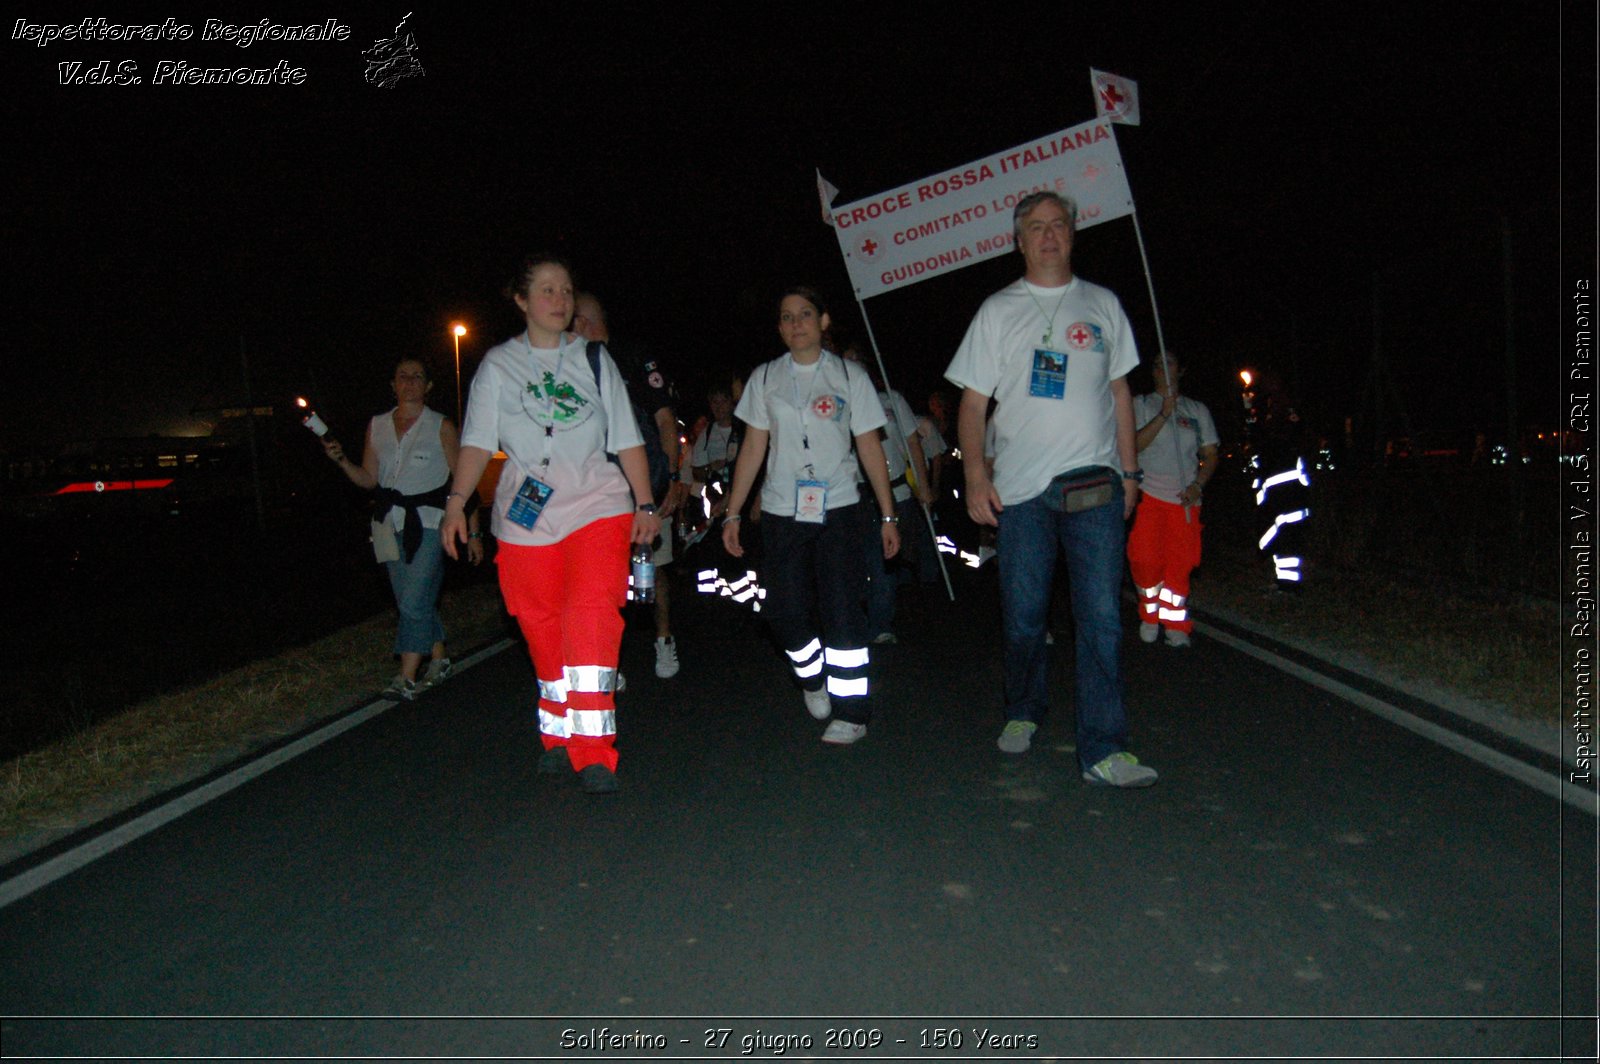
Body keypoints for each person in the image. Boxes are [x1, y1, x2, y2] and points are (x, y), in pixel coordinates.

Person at [944, 191, 1158, 787]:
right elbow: (973, 402)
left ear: (1073, 233)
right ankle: (1023, 708)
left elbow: (1119, 394)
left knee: (1100, 618)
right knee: (1023, 615)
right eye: (1035, 227)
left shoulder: (1104, 304)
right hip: (1020, 492)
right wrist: (975, 476)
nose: (1047, 236)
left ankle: (1105, 749)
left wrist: (1132, 473)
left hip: (1094, 482)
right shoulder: (997, 310)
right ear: (1019, 240)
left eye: (1057, 225)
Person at [441, 254, 659, 794]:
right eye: (547, 290)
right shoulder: (496, 366)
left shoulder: (593, 359)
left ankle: (594, 751)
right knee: (539, 622)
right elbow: (475, 442)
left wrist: (646, 504)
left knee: (590, 615)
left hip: (597, 505)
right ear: (520, 301)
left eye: (566, 290)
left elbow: (627, 437)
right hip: (525, 516)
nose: (560, 300)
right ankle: (558, 735)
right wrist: (456, 502)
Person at [720, 286, 900, 745]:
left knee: (842, 607)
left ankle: (852, 712)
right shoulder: (765, 378)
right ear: (779, 327)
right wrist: (734, 511)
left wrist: (887, 514)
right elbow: (754, 446)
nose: (795, 323)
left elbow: (868, 445)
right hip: (782, 509)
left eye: (805, 314)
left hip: (839, 506)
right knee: (782, 610)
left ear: (823, 322)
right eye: (786, 316)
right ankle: (810, 674)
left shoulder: (849, 375)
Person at [324, 358, 480, 700]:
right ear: (392, 385)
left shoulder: (441, 426)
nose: (409, 381)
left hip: (429, 521)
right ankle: (438, 658)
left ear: (428, 387)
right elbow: (368, 479)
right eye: (402, 376)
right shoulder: (377, 425)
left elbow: (463, 480)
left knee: (412, 599)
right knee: (412, 600)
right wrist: (341, 460)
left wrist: (474, 530)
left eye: (417, 376)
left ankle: (406, 677)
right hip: (387, 521)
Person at [572, 292, 689, 679]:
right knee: (604, 577)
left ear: (585, 322)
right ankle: (610, 658)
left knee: (653, 567)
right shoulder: (572, 365)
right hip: (597, 492)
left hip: (646, 484)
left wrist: (671, 479)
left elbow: (665, 422)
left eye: (573, 323)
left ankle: (663, 639)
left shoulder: (634, 357)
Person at [840, 343, 932, 643]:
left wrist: (923, 487)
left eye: (855, 361)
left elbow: (912, 445)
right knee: (863, 559)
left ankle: (880, 622)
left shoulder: (892, 401)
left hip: (895, 492)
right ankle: (868, 615)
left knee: (886, 558)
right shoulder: (837, 405)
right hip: (856, 494)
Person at [1127, 351, 1219, 647]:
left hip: (1185, 499)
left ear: (1181, 370)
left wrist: (1199, 484)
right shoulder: (1141, 405)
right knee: (1145, 559)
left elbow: (1211, 454)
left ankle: (1175, 622)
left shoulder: (1197, 410)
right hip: (1149, 494)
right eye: (1156, 364)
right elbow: (1133, 445)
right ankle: (1149, 615)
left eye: (1169, 362)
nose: (1162, 368)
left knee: (1181, 563)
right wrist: (1164, 413)